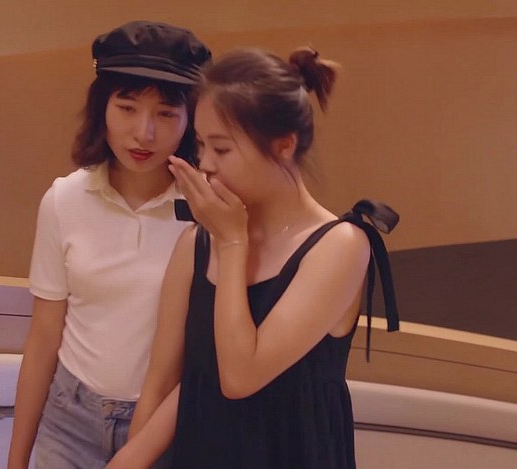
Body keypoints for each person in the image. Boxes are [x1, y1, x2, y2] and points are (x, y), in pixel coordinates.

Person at [109, 47, 400, 468]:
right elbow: (173, 381)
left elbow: (240, 376)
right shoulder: (196, 243)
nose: (205, 164)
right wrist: (131, 458)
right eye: (201, 145)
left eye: (222, 149)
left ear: (284, 146)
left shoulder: (340, 245)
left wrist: (232, 242)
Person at [6, 21, 211, 469]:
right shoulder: (65, 199)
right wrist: (17, 459)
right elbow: (44, 336)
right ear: (102, 108)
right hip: (70, 416)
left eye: (166, 113)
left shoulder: (211, 211)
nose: (144, 133)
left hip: (168, 424)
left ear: (191, 121)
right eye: (127, 107)